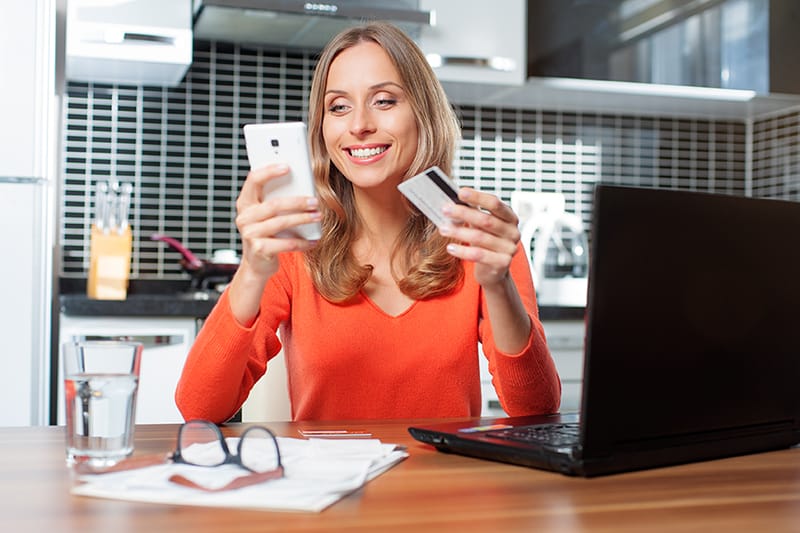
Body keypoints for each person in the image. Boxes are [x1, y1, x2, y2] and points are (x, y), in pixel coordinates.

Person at [175, 22, 561, 422]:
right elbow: (200, 408)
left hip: (441, 482)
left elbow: (536, 409)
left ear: (423, 114)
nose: (358, 125)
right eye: (338, 106)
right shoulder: (294, 249)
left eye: (384, 100)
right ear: (323, 129)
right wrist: (253, 270)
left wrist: (498, 286)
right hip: (330, 483)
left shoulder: (482, 244)